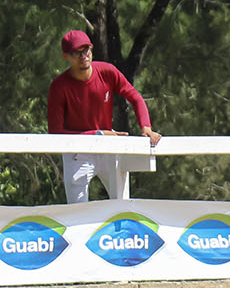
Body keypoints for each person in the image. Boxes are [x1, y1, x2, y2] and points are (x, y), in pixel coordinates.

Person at [47, 30, 162, 203]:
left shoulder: (107, 71)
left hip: (109, 145)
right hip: (77, 152)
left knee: (122, 207)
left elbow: (135, 98)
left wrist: (146, 127)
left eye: (86, 49)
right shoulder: (59, 87)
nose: (83, 55)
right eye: (77, 52)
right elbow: (56, 134)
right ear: (66, 56)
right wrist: (97, 134)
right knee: (78, 213)